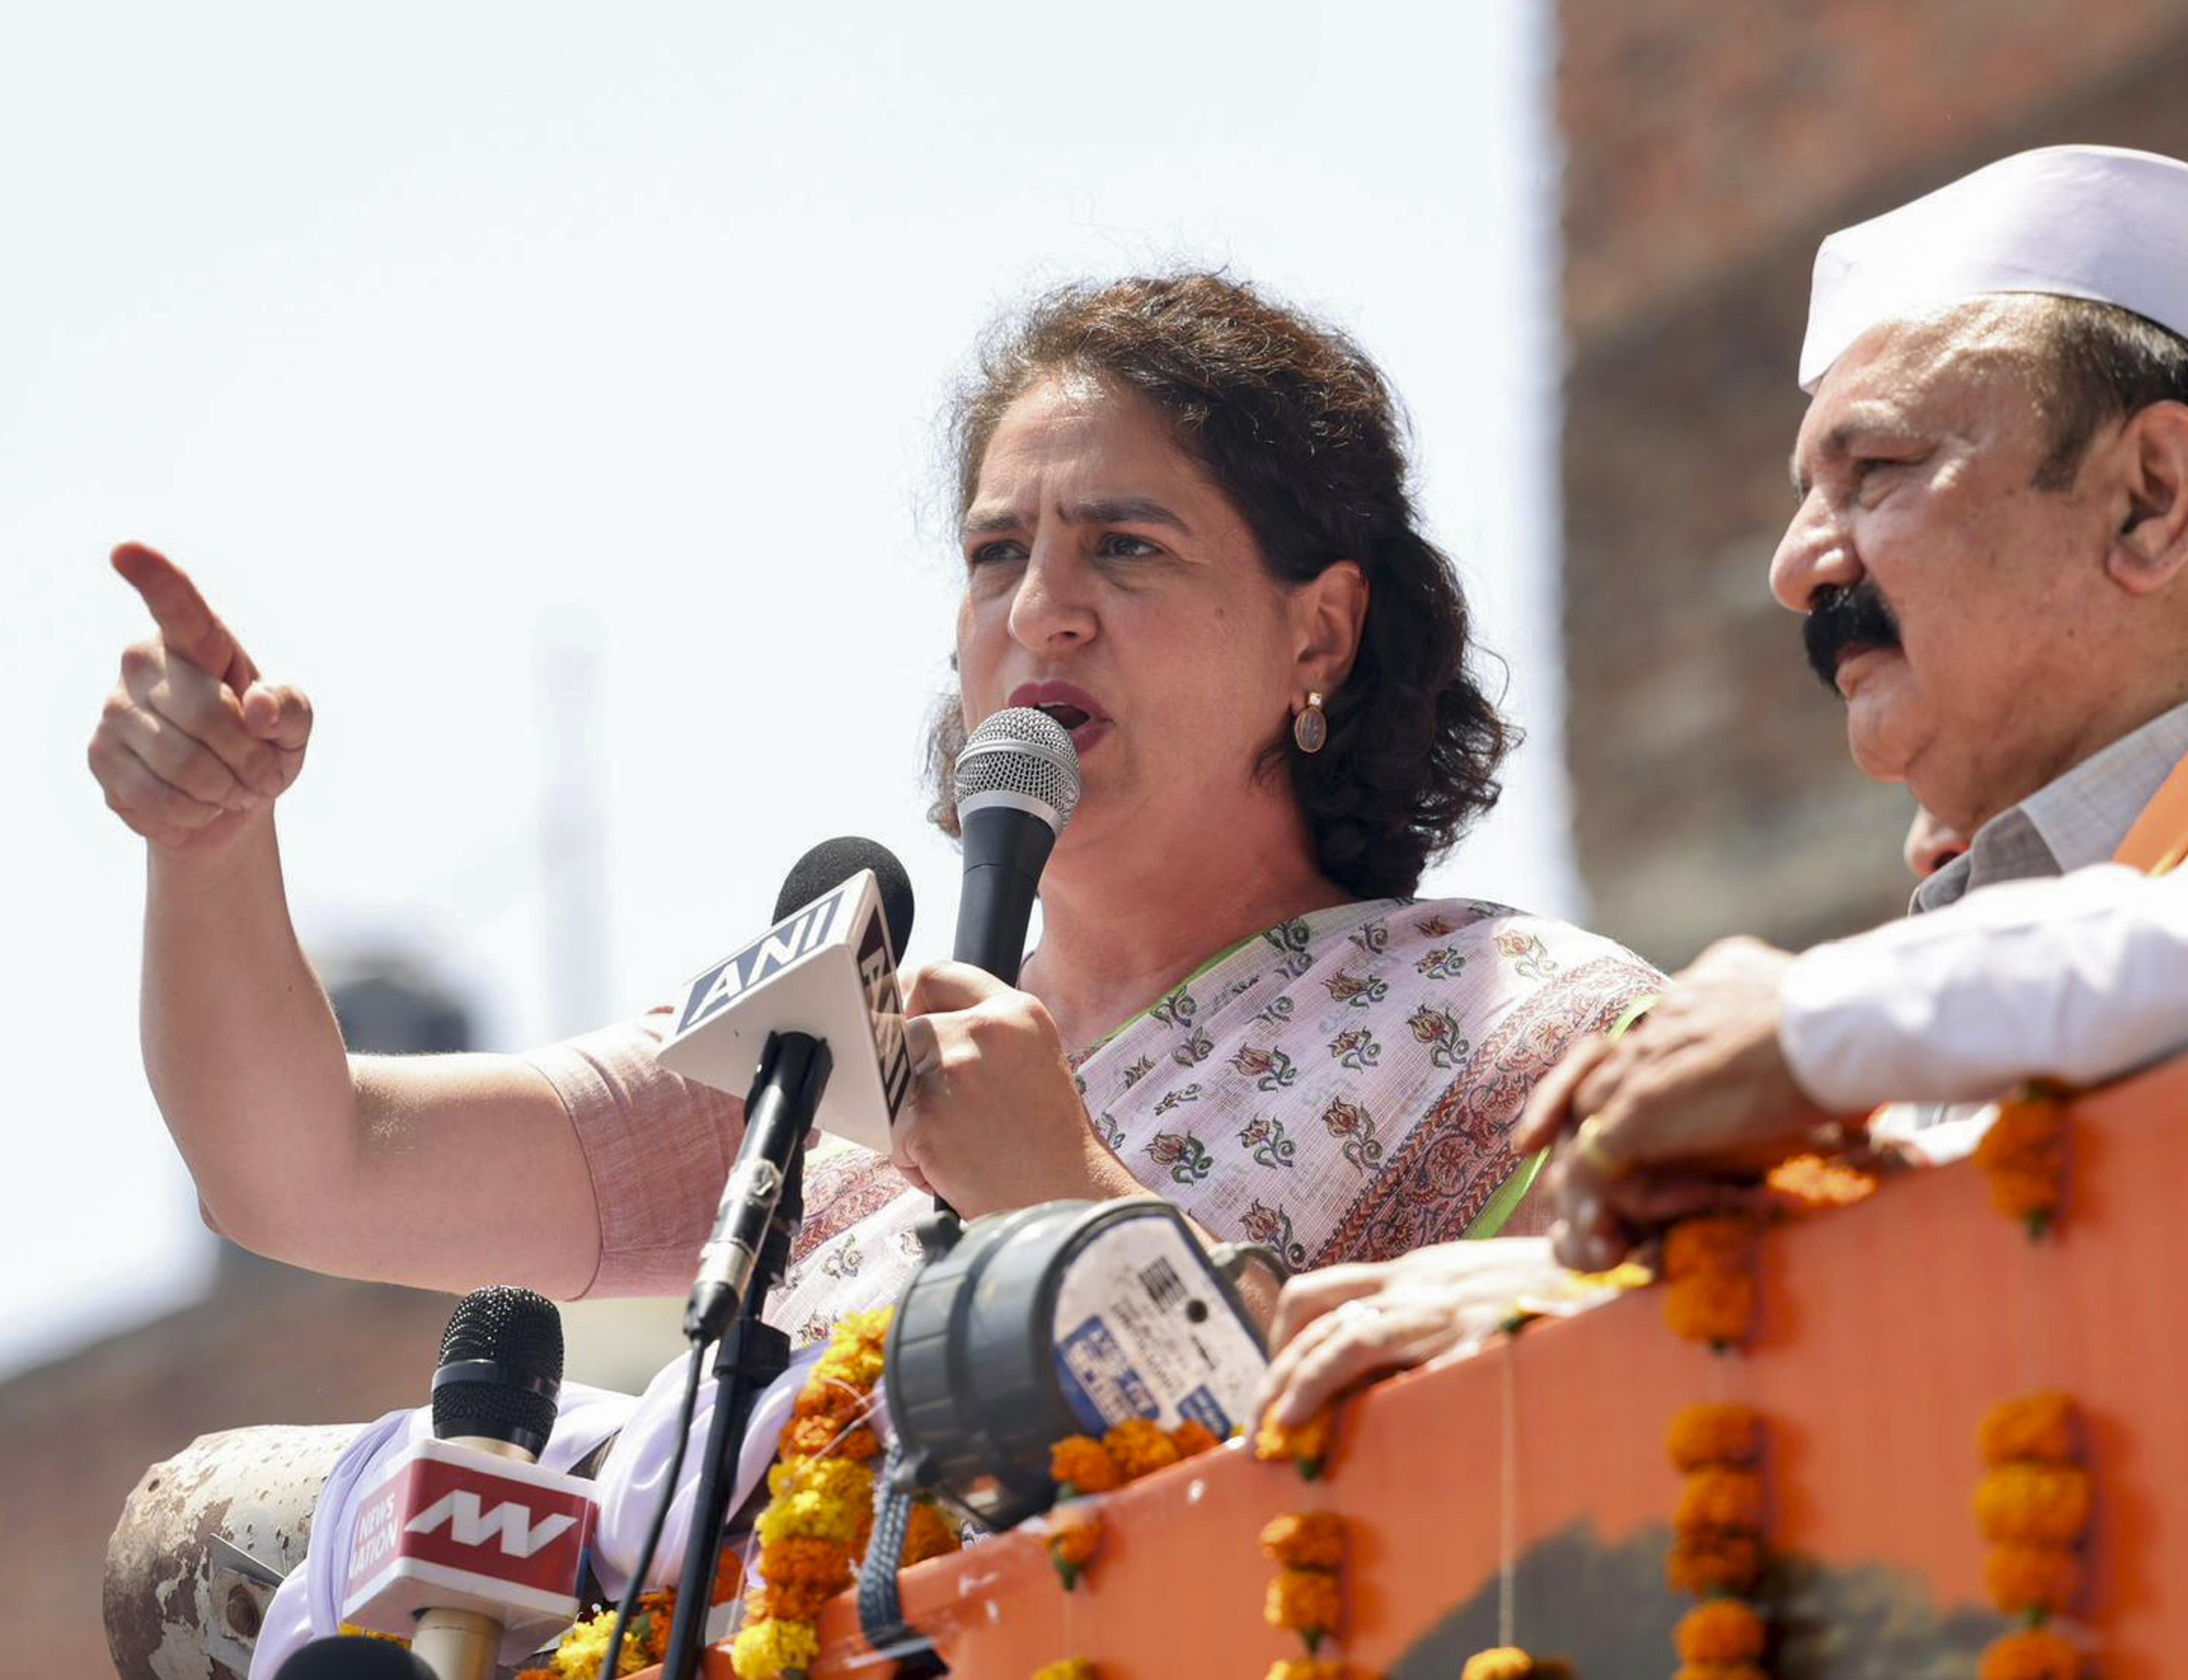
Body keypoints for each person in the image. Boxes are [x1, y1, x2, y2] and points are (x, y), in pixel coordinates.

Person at [89, 273, 1660, 1352]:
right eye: (995, 556)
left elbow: (1519, 1475)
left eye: (1126, 548)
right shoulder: (820, 1050)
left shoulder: (1535, 1036)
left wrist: (1064, 1194)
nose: (1040, 613)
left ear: (1317, 634)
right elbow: (306, 1167)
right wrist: (211, 848)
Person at [1260, 143, 2188, 1422]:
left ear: (2150, 498)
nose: (1798, 565)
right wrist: (1614, 1300)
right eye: (1806, 492)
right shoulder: (1953, 966)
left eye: (1876, 473)